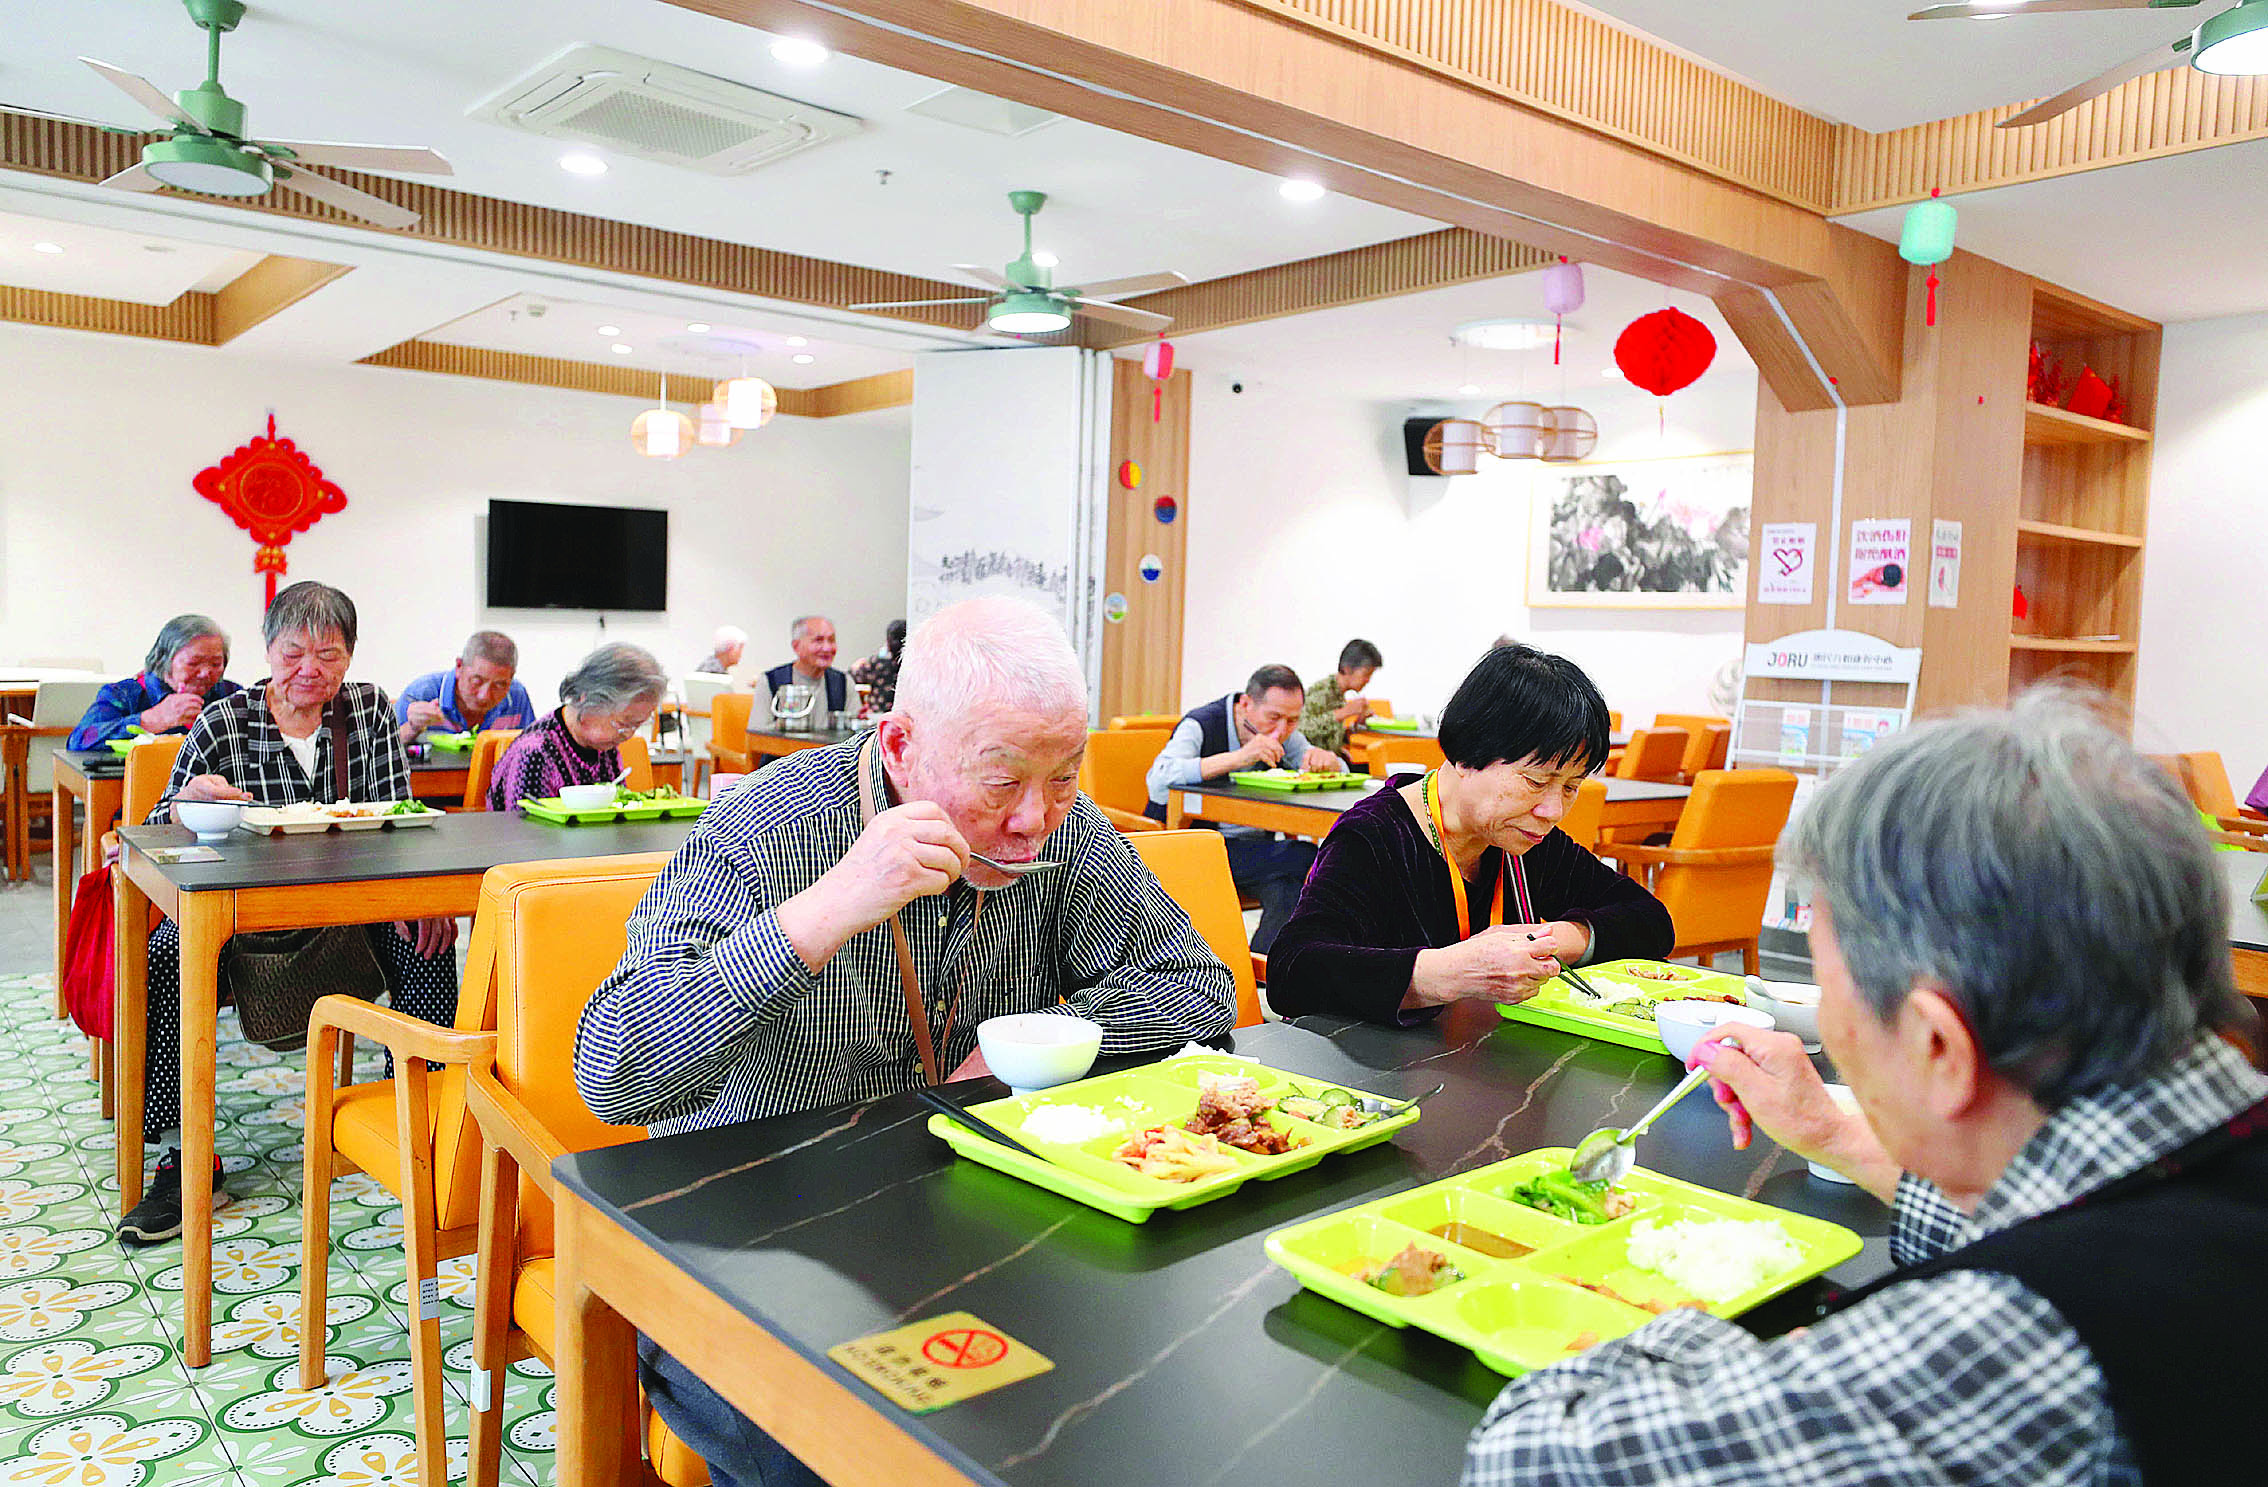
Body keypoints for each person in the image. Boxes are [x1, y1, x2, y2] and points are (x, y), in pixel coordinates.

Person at [1463, 687, 2266, 1487]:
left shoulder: (2003, 1344)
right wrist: (1838, 1134)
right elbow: (2069, 1209)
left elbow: (1526, 1458)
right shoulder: (2213, 1152)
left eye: (1827, 990)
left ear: (1937, 1045)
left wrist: (1705, 1341)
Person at [577, 595, 1235, 1487]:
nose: (1036, 817)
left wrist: (1037, 1039)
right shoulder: (768, 830)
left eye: (1066, 776)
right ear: (899, 746)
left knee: (1140, 1400)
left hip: (974, 1226)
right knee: (852, 1460)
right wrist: (826, 911)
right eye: (1002, 781)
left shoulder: (1062, 830)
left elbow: (1195, 984)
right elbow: (613, 1069)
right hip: (754, 1243)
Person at [120, 582, 459, 1246]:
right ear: (269, 649)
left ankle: (416, 1124)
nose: (311, 669)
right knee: (164, 956)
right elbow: (159, 824)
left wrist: (425, 895)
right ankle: (184, 1157)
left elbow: (396, 814)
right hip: (245, 925)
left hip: (348, 914)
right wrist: (194, 796)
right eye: (294, 651)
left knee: (431, 935)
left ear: (351, 654)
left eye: (329, 653)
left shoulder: (367, 711)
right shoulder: (225, 720)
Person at [1268, 644, 1670, 1024]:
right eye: (1534, 782)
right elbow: (1292, 972)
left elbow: (1651, 921)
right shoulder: (1375, 837)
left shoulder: (1523, 838)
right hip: (1374, 1075)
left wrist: (1557, 938)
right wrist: (1444, 974)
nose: (1553, 811)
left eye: (1570, 787)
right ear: (1465, 756)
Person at [1143, 664, 1345, 953]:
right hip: (1198, 846)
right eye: (1274, 717)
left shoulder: (1284, 734)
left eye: (1292, 721)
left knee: (1288, 881)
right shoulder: (1201, 723)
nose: (1281, 731)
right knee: (1302, 857)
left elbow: (1329, 764)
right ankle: (1267, 967)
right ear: (1246, 704)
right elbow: (1159, 779)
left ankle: (1261, 969)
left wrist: (1331, 761)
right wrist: (1238, 757)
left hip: (1254, 852)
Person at [487, 643, 668, 811]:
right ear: (586, 698)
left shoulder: (604, 747)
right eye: (623, 724)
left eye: (637, 725)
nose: (628, 734)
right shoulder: (535, 752)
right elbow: (526, 834)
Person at [66, 615, 243, 749]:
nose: (206, 673)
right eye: (194, 663)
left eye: (215, 664)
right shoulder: (125, 694)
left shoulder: (230, 694)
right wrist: (151, 720)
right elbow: (79, 741)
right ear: (164, 660)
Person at [393, 630, 536, 746]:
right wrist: (413, 727)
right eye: (477, 681)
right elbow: (385, 754)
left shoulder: (516, 696)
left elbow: (531, 748)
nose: (484, 695)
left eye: (499, 685)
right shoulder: (422, 692)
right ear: (459, 667)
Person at [1300, 637, 1385, 763]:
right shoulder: (1321, 692)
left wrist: (1356, 725)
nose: (1368, 680)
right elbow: (1301, 730)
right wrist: (1344, 712)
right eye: (1366, 674)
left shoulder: (1339, 694)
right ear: (1347, 669)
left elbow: (1327, 736)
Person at [762, 614, 850, 716]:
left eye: (831, 640)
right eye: (818, 640)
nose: (827, 648)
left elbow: (859, 729)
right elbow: (758, 730)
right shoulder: (770, 681)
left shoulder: (844, 682)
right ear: (796, 646)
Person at [850, 618, 907, 715]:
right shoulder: (911, 665)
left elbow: (853, 677)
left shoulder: (877, 663)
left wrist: (855, 667)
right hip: (902, 716)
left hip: (878, 716)